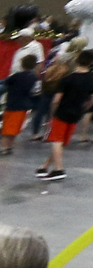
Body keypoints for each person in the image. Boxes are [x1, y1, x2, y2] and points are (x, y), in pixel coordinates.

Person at [39, 49, 93, 181]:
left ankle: (59, 169)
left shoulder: (67, 79)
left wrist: (52, 114)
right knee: (61, 142)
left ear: (76, 60)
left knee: (56, 140)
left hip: (62, 112)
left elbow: (56, 100)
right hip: (77, 113)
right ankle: (45, 166)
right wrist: (85, 107)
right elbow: (91, 99)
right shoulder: (91, 79)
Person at [0, 38, 45, 155]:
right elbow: (35, 91)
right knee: (15, 129)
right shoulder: (33, 78)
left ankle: (4, 148)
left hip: (12, 104)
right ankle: (10, 147)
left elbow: (6, 84)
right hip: (24, 106)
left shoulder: (16, 76)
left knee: (6, 129)